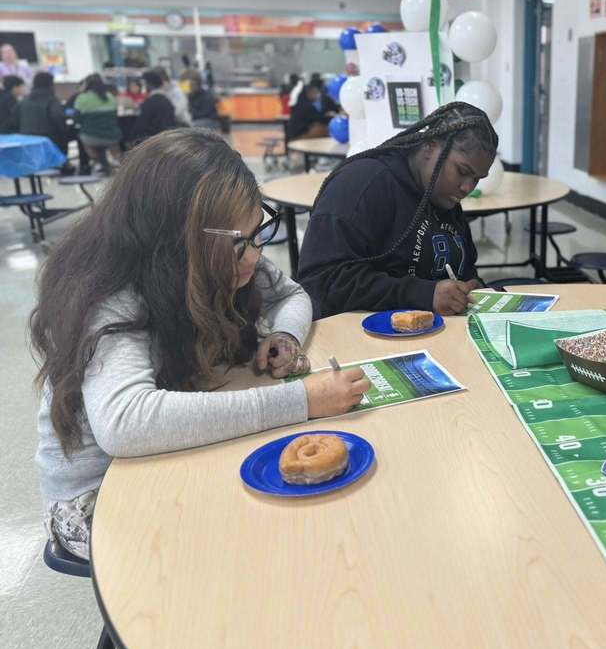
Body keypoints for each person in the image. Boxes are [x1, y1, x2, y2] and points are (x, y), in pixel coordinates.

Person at [31, 128, 370, 560]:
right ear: (171, 244)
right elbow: (125, 422)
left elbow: (292, 294)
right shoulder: (112, 296)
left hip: (171, 452)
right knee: (255, 540)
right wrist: (302, 400)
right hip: (98, 495)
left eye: (254, 235)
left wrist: (282, 335)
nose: (252, 257)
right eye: (236, 244)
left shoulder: (224, 251)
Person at [297, 102, 497, 318]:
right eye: (462, 171)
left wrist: (471, 286)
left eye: (476, 179)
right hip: (362, 341)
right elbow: (320, 281)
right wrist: (424, 295)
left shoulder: (443, 196)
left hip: (436, 335)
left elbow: (463, 266)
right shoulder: (362, 184)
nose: (467, 187)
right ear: (430, 147)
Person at [72, 73, 122, 175]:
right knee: (112, 147)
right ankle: (118, 165)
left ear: (86, 85)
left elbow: (76, 119)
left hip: (91, 137)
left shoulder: (82, 98)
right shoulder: (110, 97)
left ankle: (97, 161)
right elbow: (115, 116)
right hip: (112, 136)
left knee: (83, 137)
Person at [16, 71, 68, 154]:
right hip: (49, 141)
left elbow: (16, 120)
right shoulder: (51, 101)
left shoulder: (24, 101)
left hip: (27, 140)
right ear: (50, 84)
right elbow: (58, 119)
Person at [134, 69, 178, 142]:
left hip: (155, 140)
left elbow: (141, 126)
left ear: (148, 84)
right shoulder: (166, 100)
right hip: (169, 138)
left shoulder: (150, 102)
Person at [285, 76, 332, 141]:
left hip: (293, 133)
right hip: (299, 136)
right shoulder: (307, 106)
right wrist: (333, 117)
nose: (318, 95)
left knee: (318, 127)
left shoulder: (301, 102)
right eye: (315, 92)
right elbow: (320, 119)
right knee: (324, 130)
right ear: (310, 93)